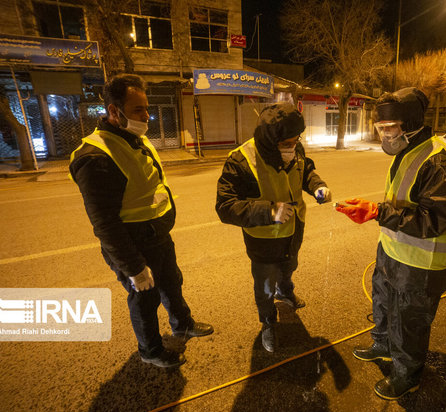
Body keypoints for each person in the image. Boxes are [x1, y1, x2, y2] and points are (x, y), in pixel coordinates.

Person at [69, 74, 213, 368]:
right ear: (113, 111)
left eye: (146, 108)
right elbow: (104, 224)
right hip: (132, 244)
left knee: (172, 284)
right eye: (138, 110)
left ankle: (182, 324)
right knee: (145, 300)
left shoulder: (135, 138)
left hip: (158, 236)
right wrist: (133, 267)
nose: (146, 116)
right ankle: (150, 350)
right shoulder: (96, 156)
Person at [336, 88, 446, 400]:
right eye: (380, 128)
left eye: (389, 128)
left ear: (410, 124)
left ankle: (406, 375)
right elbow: (401, 201)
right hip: (391, 251)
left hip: (421, 264)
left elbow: (432, 221)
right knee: (383, 305)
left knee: (409, 322)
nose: (384, 134)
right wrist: (373, 210)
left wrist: (378, 212)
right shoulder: (407, 153)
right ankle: (382, 346)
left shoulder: (443, 164)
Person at [215, 103, 331, 353]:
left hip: (293, 229)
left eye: (296, 141)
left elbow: (305, 169)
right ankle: (268, 322)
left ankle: (286, 292)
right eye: (287, 144)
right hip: (263, 239)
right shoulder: (242, 159)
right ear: (271, 141)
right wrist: (269, 211)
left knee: (289, 266)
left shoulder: (294, 146)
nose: (293, 147)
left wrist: (317, 185)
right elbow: (225, 206)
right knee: (264, 284)